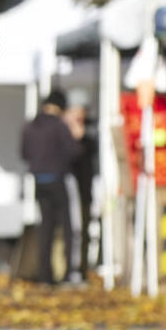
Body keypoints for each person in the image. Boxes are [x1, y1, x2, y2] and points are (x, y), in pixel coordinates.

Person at [21, 90, 82, 285]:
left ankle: (45, 275)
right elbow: (74, 151)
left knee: (45, 228)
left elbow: (24, 153)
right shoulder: (59, 126)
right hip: (58, 179)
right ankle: (67, 274)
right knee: (66, 227)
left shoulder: (30, 126)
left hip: (39, 181)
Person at [62, 104, 98, 280]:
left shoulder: (89, 137)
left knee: (82, 231)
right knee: (65, 231)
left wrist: (80, 137)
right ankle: (65, 267)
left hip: (84, 190)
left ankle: (80, 269)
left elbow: (88, 154)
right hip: (64, 191)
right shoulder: (61, 135)